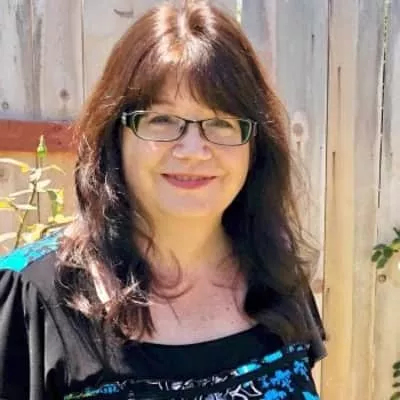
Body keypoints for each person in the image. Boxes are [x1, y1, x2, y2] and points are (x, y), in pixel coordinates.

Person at [0, 1, 326, 399]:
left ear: (255, 144)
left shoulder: (276, 275)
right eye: (162, 120)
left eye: (221, 123)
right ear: (115, 136)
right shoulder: (30, 297)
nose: (193, 150)